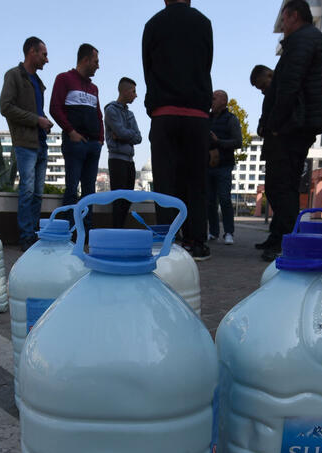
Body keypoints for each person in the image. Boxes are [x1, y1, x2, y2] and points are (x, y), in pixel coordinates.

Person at [255, 1, 322, 262]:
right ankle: (278, 236)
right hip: (295, 123)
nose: (282, 27)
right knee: (279, 184)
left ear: (294, 16)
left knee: (282, 185)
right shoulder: (306, 40)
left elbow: (288, 86)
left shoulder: (302, 40)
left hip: (292, 125)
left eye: (284, 21)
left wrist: (274, 124)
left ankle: (285, 241)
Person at [142, 0, 213, 261]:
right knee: (197, 181)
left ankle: (167, 241)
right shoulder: (203, 23)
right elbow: (206, 64)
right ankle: (197, 241)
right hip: (196, 114)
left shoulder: (153, 24)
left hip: (164, 112)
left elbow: (148, 68)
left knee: (165, 182)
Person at [0, 36, 53, 250]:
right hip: (25, 143)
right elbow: (5, 107)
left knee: (37, 193)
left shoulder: (38, 83)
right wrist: (36, 120)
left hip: (40, 143)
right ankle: (25, 238)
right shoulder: (14, 75)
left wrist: (44, 121)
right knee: (28, 191)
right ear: (32, 52)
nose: (46, 60)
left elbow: (35, 110)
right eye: (44, 54)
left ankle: (33, 235)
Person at [50, 44, 102, 227]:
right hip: (75, 143)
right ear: (85, 60)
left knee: (89, 190)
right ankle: (70, 230)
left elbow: (98, 114)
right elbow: (55, 108)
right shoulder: (64, 79)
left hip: (93, 144)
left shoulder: (94, 88)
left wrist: (100, 140)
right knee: (72, 188)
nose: (98, 66)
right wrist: (71, 132)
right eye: (96, 61)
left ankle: (87, 230)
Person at [103, 77, 142, 228]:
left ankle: (121, 228)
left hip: (129, 161)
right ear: (125, 91)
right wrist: (125, 134)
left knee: (127, 198)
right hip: (116, 160)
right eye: (133, 91)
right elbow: (121, 131)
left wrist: (123, 135)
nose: (136, 95)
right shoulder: (111, 110)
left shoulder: (130, 114)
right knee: (119, 199)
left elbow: (138, 137)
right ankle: (116, 230)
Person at [207, 90, 242, 245]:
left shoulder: (231, 119)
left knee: (224, 198)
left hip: (224, 166)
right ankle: (213, 232)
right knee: (209, 201)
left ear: (223, 101)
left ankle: (229, 232)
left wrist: (218, 141)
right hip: (207, 165)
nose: (211, 101)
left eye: (214, 98)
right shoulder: (206, 118)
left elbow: (238, 142)